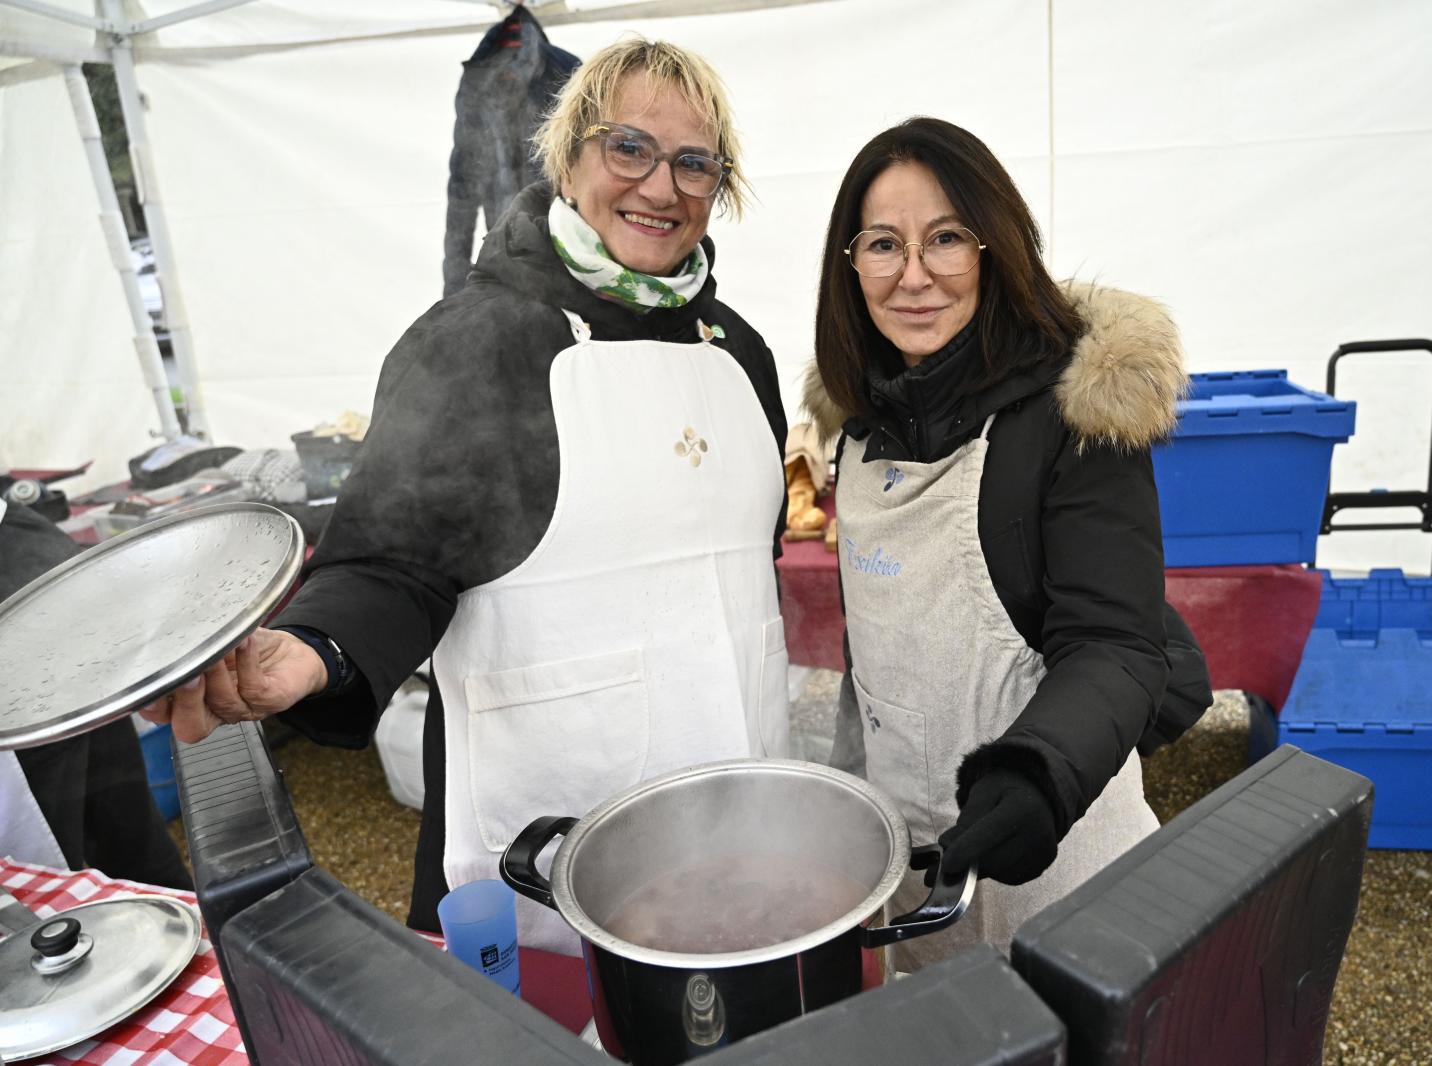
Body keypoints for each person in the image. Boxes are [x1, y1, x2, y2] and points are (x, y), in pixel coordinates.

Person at [139, 39, 791, 954]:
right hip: (549, 838)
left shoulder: (740, 352)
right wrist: (317, 649)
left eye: (695, 163)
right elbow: (393, 560)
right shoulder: (476, 338)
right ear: (567, 157)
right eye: (628, 147)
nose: (662, 186)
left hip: (740, 799)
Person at [804, 117, 1210, 968]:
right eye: (883, 244)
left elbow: (1118, 644)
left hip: (1062, 860)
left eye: (946, 238)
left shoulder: (1070, 421)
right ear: (850, 267)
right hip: (918, 884)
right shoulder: (855, 433)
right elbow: (876, 661)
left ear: (995, 249)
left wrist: (1037, 772)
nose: (914, 276)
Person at [0, 492, 192, 890]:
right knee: (117, 819)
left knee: (103, 826)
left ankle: (178, 926)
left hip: (22, 576)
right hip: (31, 561)